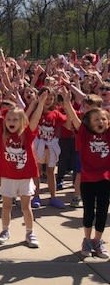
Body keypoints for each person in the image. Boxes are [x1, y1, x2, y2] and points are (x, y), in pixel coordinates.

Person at [0, 93, 46, 249]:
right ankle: (5, 231)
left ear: (22, 121)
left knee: (25, 207)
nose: (11, 122)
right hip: (8, 177)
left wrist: (40, 103)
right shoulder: (1, 134)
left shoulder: (27, 134)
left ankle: (30, 233)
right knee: (6, 206)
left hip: (24, 177)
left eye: (15, 119)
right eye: (8, 119)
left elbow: (34, 119)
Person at [61, 89, 110, 258]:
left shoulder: (108, 134)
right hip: (88, 179)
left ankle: (98, 241)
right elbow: (75, 119)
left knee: (102, 211)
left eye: (104, 119)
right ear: (89, 123)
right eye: (96, 119)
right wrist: (67, 103)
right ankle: (87, 240)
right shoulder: (83, 134)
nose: (101, 121)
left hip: (105, 179)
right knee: (89, 211)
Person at [30, 87, 67, 209]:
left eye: (51, 98)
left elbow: (67, 122)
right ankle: (36, 196)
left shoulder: (56, 113)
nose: (48, 101)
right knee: (37, 171)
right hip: (38, 145)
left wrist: (67, 103)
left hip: (51, 146)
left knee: (51, 172)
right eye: (46, 98)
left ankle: (53, 197)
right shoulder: (36, 111)